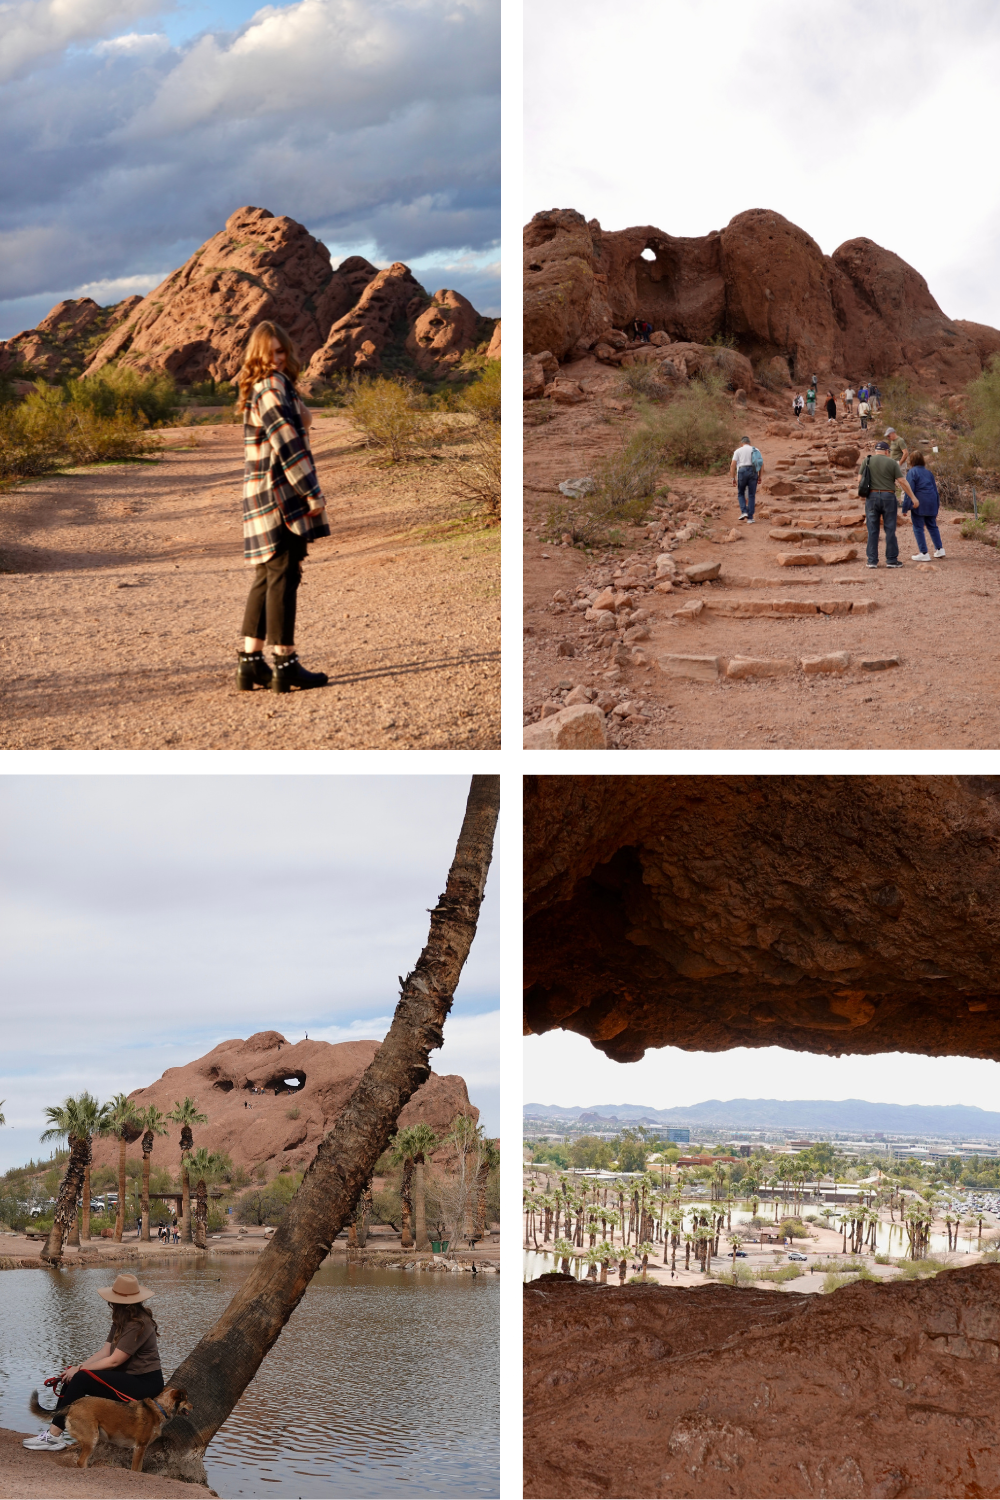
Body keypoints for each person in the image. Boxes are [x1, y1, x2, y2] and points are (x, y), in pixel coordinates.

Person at [236, 321, 331, 694]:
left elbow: (300, 421)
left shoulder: (267, 388)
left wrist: (298, 401)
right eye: (270, 352)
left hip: (263, 493)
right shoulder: (272, 388)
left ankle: (250, 663)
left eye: (282, 351)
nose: (277, 358)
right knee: (283, 577)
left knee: (267, 577)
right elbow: (288, 444)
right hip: (281, 495)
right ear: (257, 354)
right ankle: (285, 663)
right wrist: (312, 492)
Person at [22, 1274, 165, 1453]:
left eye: (114, 1301)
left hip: (144, 1382)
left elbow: (114, 1361)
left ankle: (53, 1435)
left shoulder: (138, 1323)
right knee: (75, 1378)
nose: (111, 1304)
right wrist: (74, 1370)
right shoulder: (122, 1319)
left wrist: (79, 1370)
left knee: (81, 1378)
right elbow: (104, 1352)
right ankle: (54, 1434)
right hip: (128, 1377)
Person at [862, 440, 920, 569]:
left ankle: (872, 560)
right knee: (890, 529)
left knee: (872, 530)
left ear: (876, 451)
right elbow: (902, 481)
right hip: (888, 497)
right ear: (887, 451)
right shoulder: (892, 463)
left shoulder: (867, 460)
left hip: (871, 497)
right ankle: (891, 560)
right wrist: (913, 498)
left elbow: (860, 479)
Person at [901, 451, 946, 560]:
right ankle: (940, 549)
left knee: (918, 527)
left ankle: (924, 552)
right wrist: (936, 505)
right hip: (932, 502)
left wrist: (905, 508)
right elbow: (935, 491)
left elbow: (909, 490)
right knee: (932, 525)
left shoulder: (912, 472)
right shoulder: (929, 473)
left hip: (919, 503)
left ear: (911, 461)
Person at [730, 435, 762, 522]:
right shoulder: (756, 450)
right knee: (751, 495)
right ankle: (750, 518)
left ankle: (744, 511)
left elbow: (733, 465)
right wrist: (760, 476)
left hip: (742, 471)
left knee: (741, 493)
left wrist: (733, 478)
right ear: (750, 443)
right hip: (753, 471)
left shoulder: (738, 451)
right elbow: (761, 464)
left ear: (742, 444)